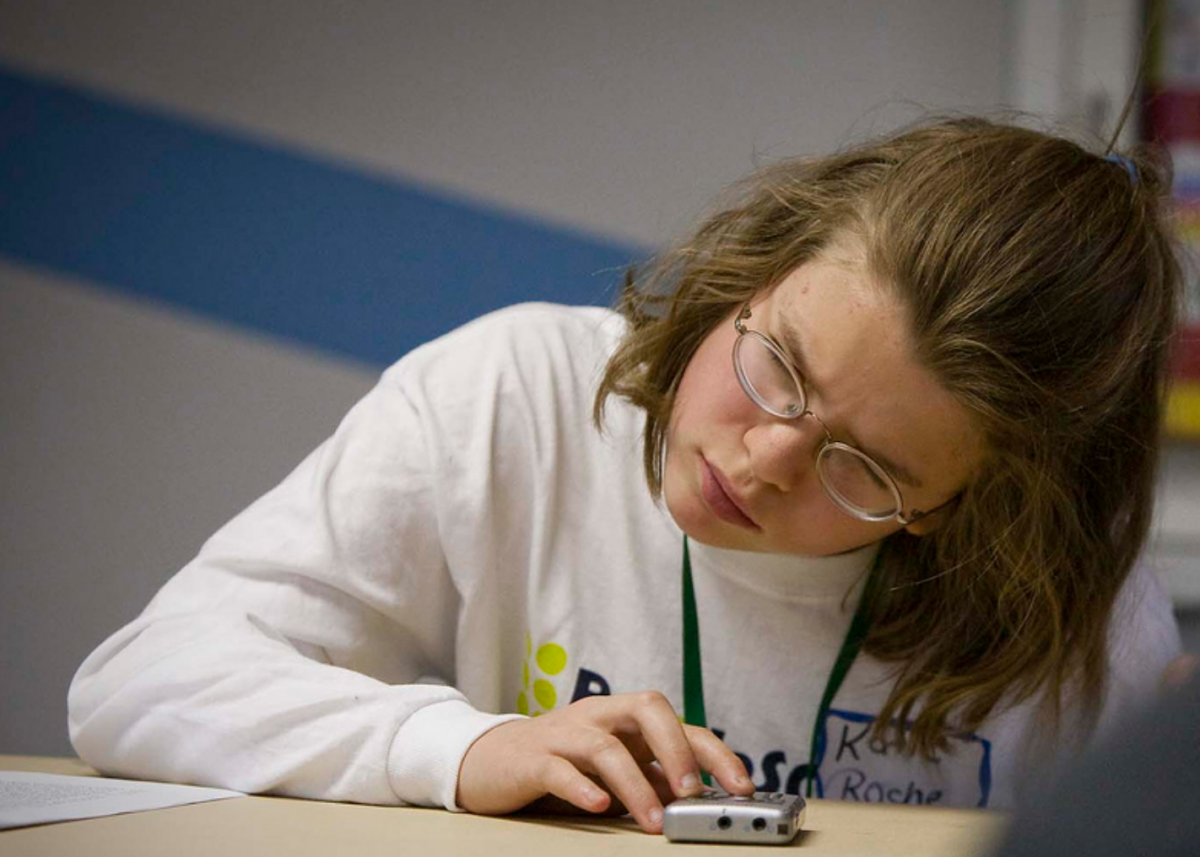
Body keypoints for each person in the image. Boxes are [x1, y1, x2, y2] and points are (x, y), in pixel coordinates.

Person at [68, 116, 1185, 834]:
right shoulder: (515, 392)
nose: (764, 456)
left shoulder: (1076, 599)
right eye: (776, 364)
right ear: (754, 272)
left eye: (866, 468)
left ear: (964, 510)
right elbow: (139, 682)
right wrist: (461, 744)